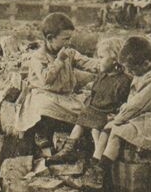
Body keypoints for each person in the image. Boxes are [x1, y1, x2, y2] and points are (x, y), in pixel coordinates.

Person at [14, 13, 99, 147]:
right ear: (50, 38)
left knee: (84, 111)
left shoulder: (69, 53)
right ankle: (41, 132)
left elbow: (87, 62)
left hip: (65, 98)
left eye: (70, 38)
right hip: (44, 95)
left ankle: (65, 129)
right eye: (65, 39)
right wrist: (59, 61)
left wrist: (103, 64)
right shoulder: (38, 57)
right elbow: (46, 79)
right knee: (43, 106)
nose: (68, 42)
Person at [96, 36, 151, 170]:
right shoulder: (142, 73)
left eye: (132, 70)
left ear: (146, 63)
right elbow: (132, 102)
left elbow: (137, 104)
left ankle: (99, 172)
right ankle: (96, 164)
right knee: (107, 129)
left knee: (116, 131)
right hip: (141, 117)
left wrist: (118, 120)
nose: (130, 73)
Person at [48, 37, 132, 163]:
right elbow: (95, 93)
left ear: (115, 60)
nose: (98, 61)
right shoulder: (102, 76)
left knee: (95, 125)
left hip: (108, 114)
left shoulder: (124, 80)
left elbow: (122, 102)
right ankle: (67, 150)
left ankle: (96, 160)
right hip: (96, 110)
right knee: (83, 117)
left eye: (102, 57)